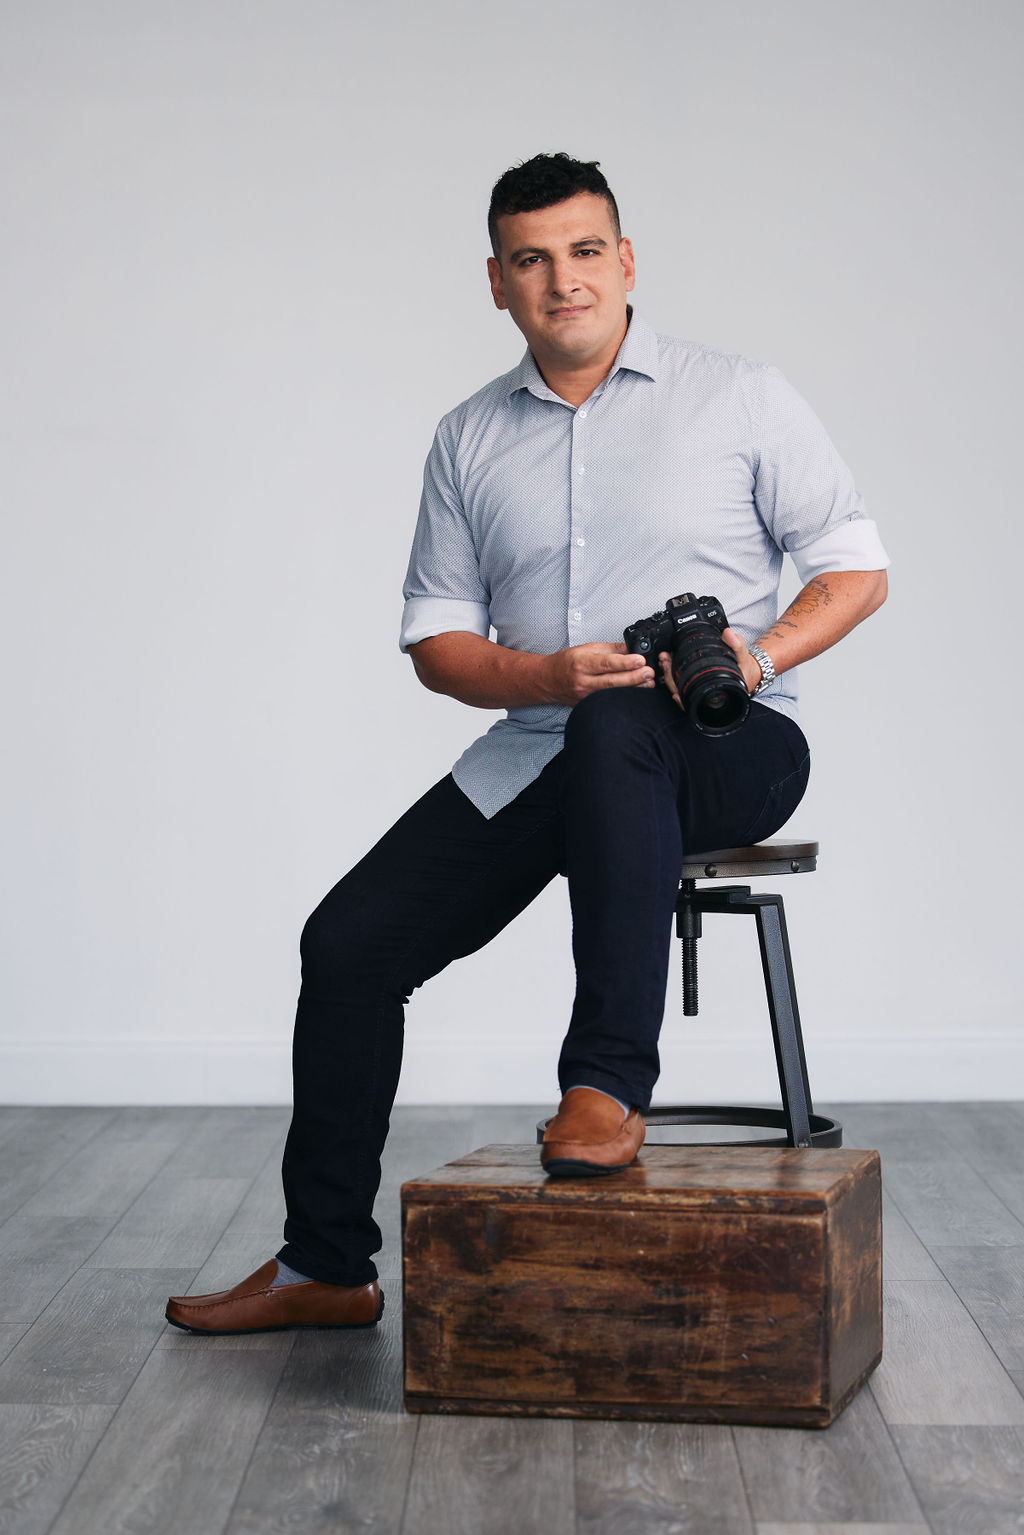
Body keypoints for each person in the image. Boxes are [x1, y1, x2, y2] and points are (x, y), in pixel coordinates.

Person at [165, 153, 888, 1336]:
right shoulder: (467, 437)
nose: (563, 279)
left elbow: (856, 567)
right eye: (532, 259)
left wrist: (754, 658)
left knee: (620, 724)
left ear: (627, 260)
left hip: (729, 741)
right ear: (497, 282)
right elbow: (439, 643)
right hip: (544, 746)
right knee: (347, 946)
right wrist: (547, 674)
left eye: (585, 250)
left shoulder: (740, 395)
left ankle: (604, 1084)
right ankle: (323, 1264)